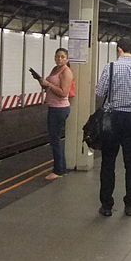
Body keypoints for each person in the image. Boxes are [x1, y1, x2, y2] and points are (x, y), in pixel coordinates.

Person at [95, 37, 131, 217]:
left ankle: (107, 205)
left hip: (112, 119)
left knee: (108, 162)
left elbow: (100, 92)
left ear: (118, 50)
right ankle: (130, 204)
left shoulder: (110, 68)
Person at [39, 48, 74, 180]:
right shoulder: (55, 69)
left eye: (62, 57)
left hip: (60, 108)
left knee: (55, 140)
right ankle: (62, 168)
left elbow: (63, 92)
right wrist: (42, 82)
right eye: (57, 56)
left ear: (67, 59)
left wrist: (48, 84)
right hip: (53, 106)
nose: (59, 59)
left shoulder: (66, 72)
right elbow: (49, 86)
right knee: (55, 139)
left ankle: (58, 170)